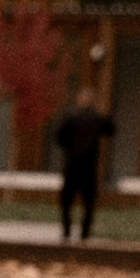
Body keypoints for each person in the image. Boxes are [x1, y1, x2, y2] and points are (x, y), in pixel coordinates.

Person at [54, 86, 115, 241]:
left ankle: (67, 229)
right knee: (88, 200)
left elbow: (60, 138)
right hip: (89, 165)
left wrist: (71, 148)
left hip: (73, 163)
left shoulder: (71, 116)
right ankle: (84, 232)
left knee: (67, 199)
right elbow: (111, 130)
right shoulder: (98, 117)